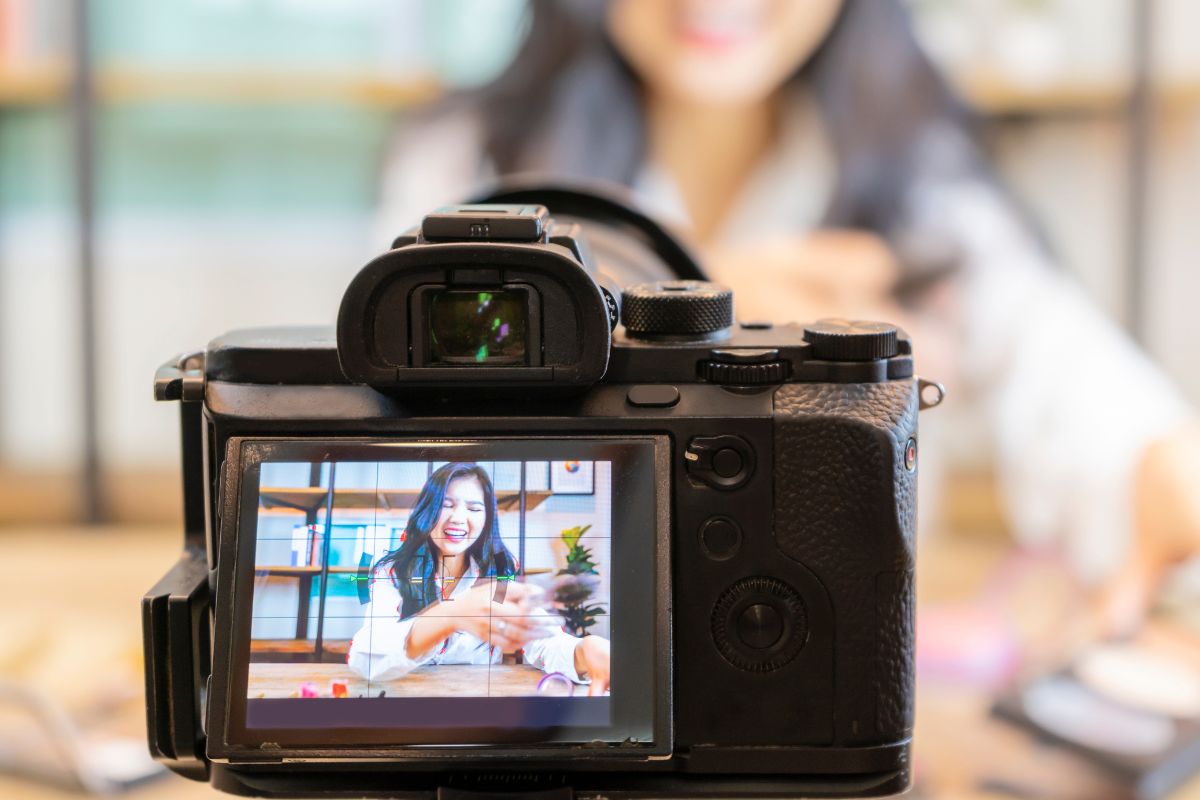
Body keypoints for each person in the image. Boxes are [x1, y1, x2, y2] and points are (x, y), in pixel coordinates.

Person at [376, 0, 1200, 633]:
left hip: (825, 673)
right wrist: (700, 315)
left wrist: (1162, 469)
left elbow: (1085, 396)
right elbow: (397, 453)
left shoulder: (925, 185)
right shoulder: (466, 159)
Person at [347, 462, 611, 694]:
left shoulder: (496, 576)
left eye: (474, 509)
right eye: (446, 505)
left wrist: (583, 652)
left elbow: (544, 641)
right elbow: (365, 659)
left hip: (476, 706)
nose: (459, 518)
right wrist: (452, 615)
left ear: (487, 520)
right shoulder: (393, 572)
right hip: (404, 702)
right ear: (427, 512)